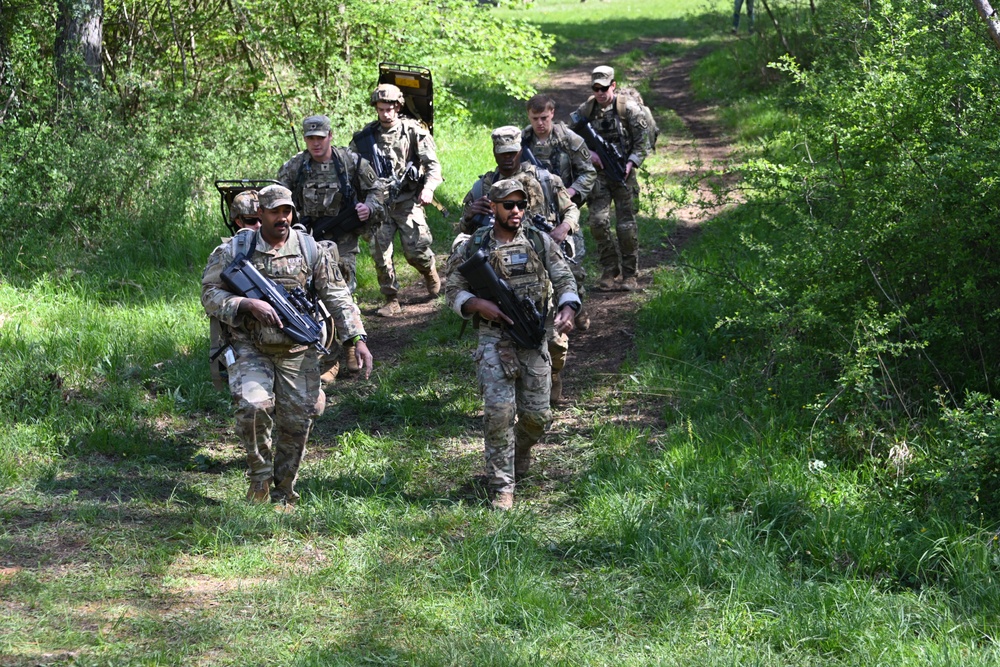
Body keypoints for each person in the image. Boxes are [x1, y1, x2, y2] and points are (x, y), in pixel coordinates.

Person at [201, 184, 373, 510]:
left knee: (296, 426)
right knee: (252, 407)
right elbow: (210, 294)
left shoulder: (310, 250)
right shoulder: (236, 249)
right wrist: (245, 304)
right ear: (260, 213)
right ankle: (259, 476)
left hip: (297, 352)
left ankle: (284, 492)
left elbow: (338, 296)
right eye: (275, 211)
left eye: (287, 211)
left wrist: (357, 339)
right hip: (251, 347)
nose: (282, 218)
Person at [446, 179, 581, 510]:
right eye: (509, 205)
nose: (517, 210)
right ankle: (502, 485)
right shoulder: (474, 244)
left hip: (534, 337)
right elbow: (452, 287)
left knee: (538, 418)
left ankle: (520, 450)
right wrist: (478, 305)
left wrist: (567, 306)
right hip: (494, 337)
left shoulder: (537, 239)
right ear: (493, 208)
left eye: (521, 204)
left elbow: (564, 276)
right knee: (499, 413)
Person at [459, 126, 581, 406]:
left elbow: (571, 208)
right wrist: (470, 214)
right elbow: (464, 230)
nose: (507, 159)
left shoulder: (544, 179)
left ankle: (552, 374)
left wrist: (564, 228)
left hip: (539, 265)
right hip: (498, 270)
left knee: (553, 339)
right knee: (513, 331)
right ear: (494, 152)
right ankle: (513, 398)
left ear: (520, 150)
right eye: (502, 154)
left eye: (512, 153)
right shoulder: (483, 186)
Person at [277, 114, 385, 374]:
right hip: (308, 239)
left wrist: (368, 208)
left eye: (320, 138)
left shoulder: (350, 162)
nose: (315, 143)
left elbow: (377, 189)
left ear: (330, 136)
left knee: (342, 289)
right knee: (308, 295)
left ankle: (349, 345)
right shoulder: (295, 167)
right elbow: (278, 197)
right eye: (310, 138)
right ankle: (329, 356)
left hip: (344, 239)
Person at [350, 83, 443, 318]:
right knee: (380, 253)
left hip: (408, 201)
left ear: (398, 107)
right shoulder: (364, 139)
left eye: (390, 108)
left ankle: (429, 271)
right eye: (381, 109)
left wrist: (429, 188)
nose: (386, 114)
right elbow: (350, 167)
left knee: (415, 252)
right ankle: (391, 298)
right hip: (379, 205)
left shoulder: (413, 132)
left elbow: (433, 165)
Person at [521, 94, 596, 331]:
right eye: (535, 118)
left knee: (573, 267)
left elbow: (589, 172)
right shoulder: (522, 141)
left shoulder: (569, 140)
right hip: (533, 213)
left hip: (564, 210)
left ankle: (577, 308)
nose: (540, 123)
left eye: (544, 117)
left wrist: (570, 192)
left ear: (552, 113)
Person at [576, 65, 651, 292]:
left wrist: (630, 163)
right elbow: (572, 142)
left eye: (604, 88)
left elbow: (642, 143)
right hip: (598, 176)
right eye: (595, 88)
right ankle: (610, 269)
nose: (600, 93)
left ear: (614, 85)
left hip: (623, 175)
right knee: (598, 222)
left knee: (626, 226)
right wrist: (590, 154)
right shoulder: (586, 111)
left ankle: (630, 272)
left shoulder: (629, 109)